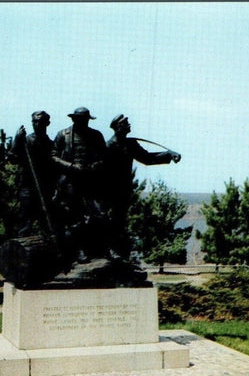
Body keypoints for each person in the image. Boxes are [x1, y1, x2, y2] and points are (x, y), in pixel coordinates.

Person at [104, 114, 181, 259]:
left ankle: (121, 253)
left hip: (124, 190)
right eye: (126, 123)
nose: (129, 125)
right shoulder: (108, 146)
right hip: (110, 190)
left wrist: (169, 155)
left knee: (120, 221)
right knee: (112, 221)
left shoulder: (131, 144)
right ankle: (111, 251)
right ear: (117, 127)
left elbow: (147, 158)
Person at [51, 107, 108, 262]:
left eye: (86, 119)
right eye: (80, 119)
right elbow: (54, 156)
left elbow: (104, 158)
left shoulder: (96, 136)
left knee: (99, 213)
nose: (83, 122)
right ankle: (79, 251)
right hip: (69, 182)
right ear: (74, 119)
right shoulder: (63, 135)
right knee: (74, 217)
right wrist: (70, 166)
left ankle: (100, 249)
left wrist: (91, 167)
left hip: (90, 181)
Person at [12, 110, 56, 240]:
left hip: (45, 187)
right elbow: (13, 157)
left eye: (40, 122)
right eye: (34, 122)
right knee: (25, 222)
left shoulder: (50, 144)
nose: (37, 124)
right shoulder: (25, 141)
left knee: (47, 223)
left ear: (47, 123)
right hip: (28, 187)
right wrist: (17, 139)